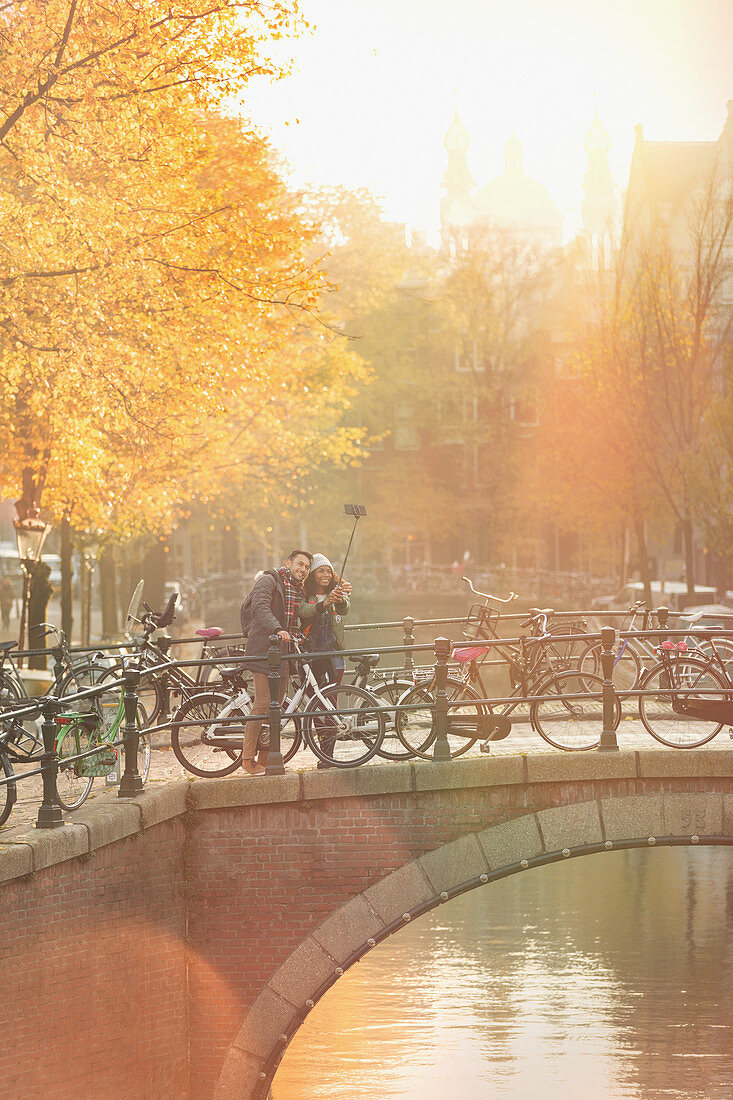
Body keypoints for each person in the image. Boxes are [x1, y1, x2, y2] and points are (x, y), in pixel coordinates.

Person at [241, 549, 312, 775]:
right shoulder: (269, 580)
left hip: (281, 652)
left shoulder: (296, 589)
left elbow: (292, 618)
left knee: (277, 705)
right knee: (262, 704)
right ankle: (247, 759)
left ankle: (266, 759)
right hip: (264, 649)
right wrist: (278, 629)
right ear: (288, 563)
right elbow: (260, 608)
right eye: (299, 564)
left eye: (306, 567)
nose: (302, 570)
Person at [298, 554, 351, 687]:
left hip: (334, 653)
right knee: (313, 697)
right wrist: (326, 603)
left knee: (333, 696)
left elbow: (344, 610)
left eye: (329, 571)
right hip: (310, 654)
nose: (326, 575)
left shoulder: (338, 591)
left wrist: (340, 601)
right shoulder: (303, 594)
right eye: (320, 571)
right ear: (312, 575)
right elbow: (303, 610)